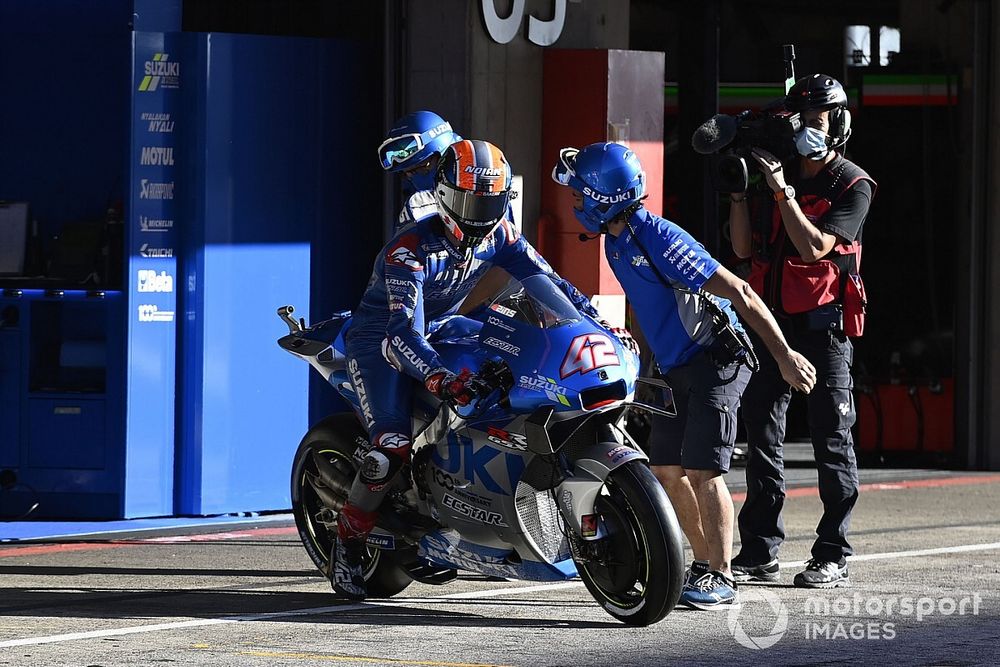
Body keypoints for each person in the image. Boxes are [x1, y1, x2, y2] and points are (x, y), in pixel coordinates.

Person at [333, 139, 610, 600]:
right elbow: (402, 334)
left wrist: (592, 319)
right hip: (380, 340)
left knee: (504, 376)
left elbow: (548, 282)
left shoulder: (500, 234)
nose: (478, 213)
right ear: (443, 196)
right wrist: (440, 377)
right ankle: (348, 541)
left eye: (490, 201)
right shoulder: (409, 252)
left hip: (444, 325)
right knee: (391, 447)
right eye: (468, 201)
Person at [553, 142, 816, 609]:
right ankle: (702, 564)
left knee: (702, 471)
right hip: (676, 367)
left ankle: (722, 575)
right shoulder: (616, 242)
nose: (575, 203)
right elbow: (647, 308)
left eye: (580, 195)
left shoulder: (660, 237)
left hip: (718, 359)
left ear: (603, 197)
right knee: (666, 472)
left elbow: (742, 293)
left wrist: (785, 356)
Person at [727, 73, 876, 588]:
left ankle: (832, 552)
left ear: (838, 124)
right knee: (762, 437)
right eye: (801, 122)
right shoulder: (777, 174)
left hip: (824, 330)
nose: (807, 131)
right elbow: (745, 252)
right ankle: (759, 550)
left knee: (831, 440)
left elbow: (815, 247)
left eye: (816, 122)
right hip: (774, 328)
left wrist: (784, 193)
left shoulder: (853, 185)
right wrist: (743, 194)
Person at [378, 110, 462, 228]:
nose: (413, 178)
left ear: (445, 157)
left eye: (421, 168)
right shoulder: (418, 210)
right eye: (407, 173)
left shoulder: (485, 177)